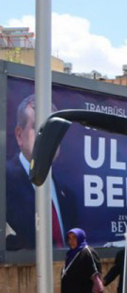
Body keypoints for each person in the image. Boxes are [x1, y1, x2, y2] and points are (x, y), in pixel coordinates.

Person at [5, 94, 76, 251]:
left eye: (54, 130)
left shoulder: (68, 195)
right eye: (39, 128)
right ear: (19, 135)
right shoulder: (5, 181)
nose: (48, 137)